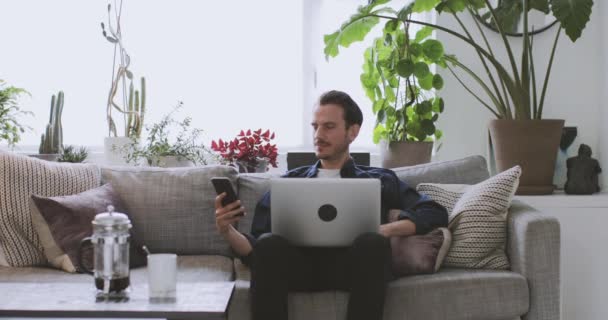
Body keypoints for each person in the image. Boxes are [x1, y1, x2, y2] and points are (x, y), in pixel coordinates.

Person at [214, 90, 448, 320]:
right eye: (315, 126)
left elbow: (434, 212)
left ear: (352, 132)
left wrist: (385, 230)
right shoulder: (289, 183)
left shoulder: (381, 180)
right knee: (269, 242)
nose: (318, 134)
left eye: (329, 126)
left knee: (373, 242)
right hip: (299, 268)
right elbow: (258, 252)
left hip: (355, 268)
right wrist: (228, 231)